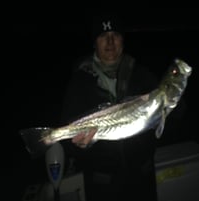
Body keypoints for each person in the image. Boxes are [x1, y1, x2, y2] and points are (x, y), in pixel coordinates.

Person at [60, 13, 159, 201]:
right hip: (102, 185)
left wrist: (174, 100)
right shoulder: (79, 82)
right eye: (103, 36)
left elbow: (174, 116)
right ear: (94, 43)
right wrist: (78, 146)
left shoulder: (142, 74)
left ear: (123, 40)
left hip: (142, 178)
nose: (110, 41)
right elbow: (66, 134)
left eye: (116, 35)